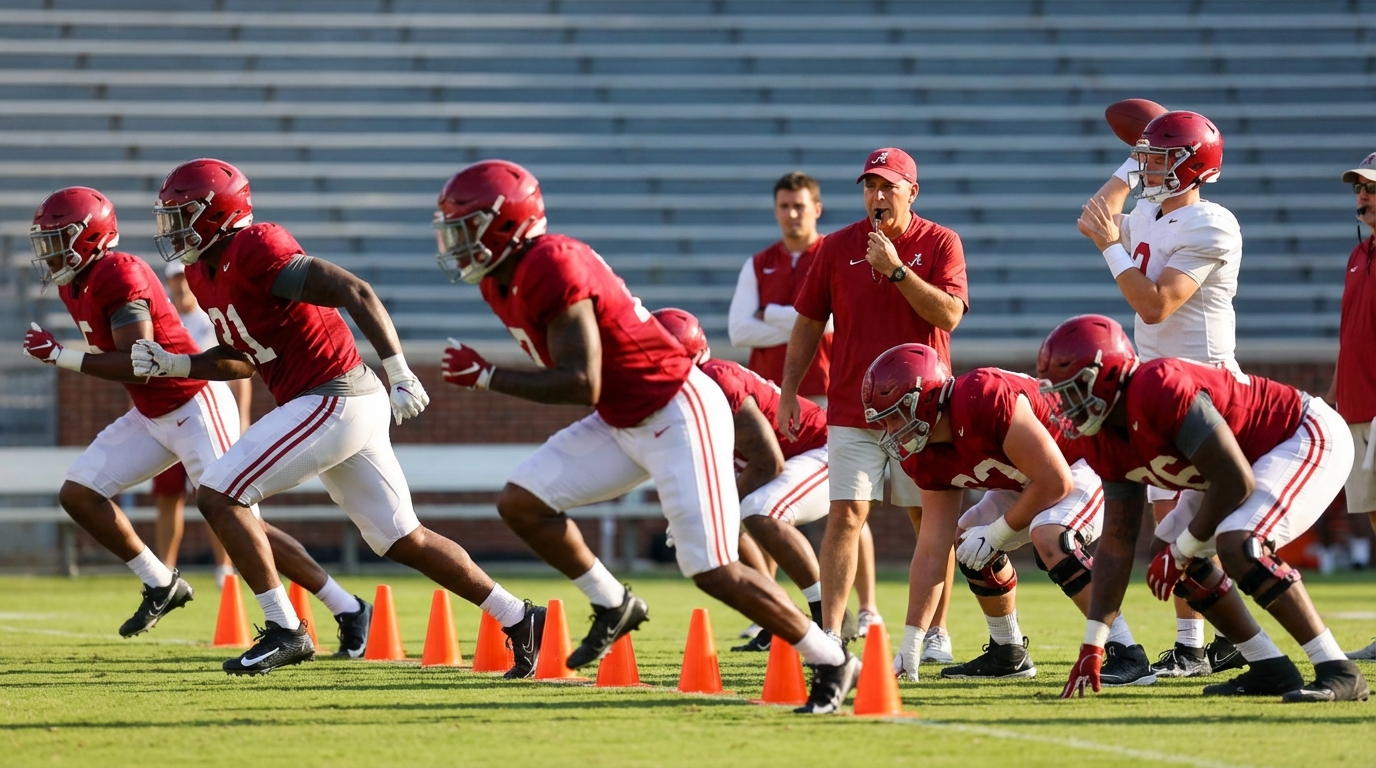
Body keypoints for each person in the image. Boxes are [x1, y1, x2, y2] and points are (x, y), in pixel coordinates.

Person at [432, 159, 854, 715]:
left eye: (466, 226)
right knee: (522, 502)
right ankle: (614, 603)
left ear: (504, 221)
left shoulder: (550, 264)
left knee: (713, 569)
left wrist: (488, 376)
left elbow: (584, 381)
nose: (457, 241)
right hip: (624, 417)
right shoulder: (500, 278)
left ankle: (829, 655)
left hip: (676, 409)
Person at [132, 158, 541, 678]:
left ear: (217, 212)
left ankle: (285, 628)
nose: (173, 228)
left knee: (218, 493)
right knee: (400, 538)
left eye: (182, 214)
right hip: (332, 403)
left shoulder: (256, 246)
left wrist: (400, 372)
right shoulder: (201, 270)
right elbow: (243, 353)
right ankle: (520, 617)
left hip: (333, 395)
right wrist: (179, 363)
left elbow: (356, 291)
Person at [21, 187, 368, 657]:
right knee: (79, 493)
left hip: (195, 405)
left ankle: (342, 606)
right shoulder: (73, 282)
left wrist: (62, 357)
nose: (51, 253)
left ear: (89, 237)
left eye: (59, 240)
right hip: (151, 412)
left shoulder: (118, 274)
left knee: (240, 520)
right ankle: (160, 582)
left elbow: (138, 360)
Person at [1040, 315, 1368, 702]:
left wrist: (1183, 550)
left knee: (1240, 543)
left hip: (1302, 434)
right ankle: (1268, 667)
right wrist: (1094, 643)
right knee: (1166, 552)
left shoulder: (1158, 387)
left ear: (1107, 374)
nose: (1066, 405)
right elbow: (1117, 538)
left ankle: (1338, 669)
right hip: (1234, 466)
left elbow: (1235, 480)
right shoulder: (1101, 438)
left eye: (1074, 390)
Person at [780, 147, 969, 689]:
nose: (878, 196)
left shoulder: (940, 243)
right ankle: (832, 636)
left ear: (912, 191)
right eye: (870, 186)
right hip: (851, 407)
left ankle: (935, 632)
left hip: (922, 411)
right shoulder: (837, 246)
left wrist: (898, 270)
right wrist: (791, 391)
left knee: (927, 523)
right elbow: (809, 322)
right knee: (845, 515)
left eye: (889, 186)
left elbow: (950, 315)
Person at [861, 344, 1155, 686]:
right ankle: (1008, 651)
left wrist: (999, 532)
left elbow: (1055, 481)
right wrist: (911, 640)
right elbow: (931, 549)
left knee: (1050, 535)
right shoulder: (921, 454)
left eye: (896, 413)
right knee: (968, 537)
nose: (891, 427)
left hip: (1085, 460)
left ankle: (1127, 651)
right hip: (1031, 478)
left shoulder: (982, 398)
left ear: (924, 399)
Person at [1078, 110, 1245, 678]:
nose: (1146, 168)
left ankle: (1214, 643)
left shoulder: (1212, 223)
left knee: (1197, 524)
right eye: (1143, 159)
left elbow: (1154, 304)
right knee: (1164, 513)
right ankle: (1192, 646)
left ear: (1191, 169)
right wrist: (1136, 157)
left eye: (1157, 160)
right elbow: (1094, 216)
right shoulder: (1148, 210)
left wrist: (1109, 247)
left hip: (1205, 382)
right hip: (1156, 382)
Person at [727, 172, 882, 637]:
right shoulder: (759, 263)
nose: (791, 213)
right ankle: (770, 610)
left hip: (827, 395)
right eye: (784, 206)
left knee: (849, 505)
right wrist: (803, 320)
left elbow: (835, 323)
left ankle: (868, 607)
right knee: (768, 502)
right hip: (769, 399)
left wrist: (773, 315)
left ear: (816, 208)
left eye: (800, 205)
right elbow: (739, 331)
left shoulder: (835, 253)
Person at [653, 308, 860, 653]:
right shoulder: (685, 392)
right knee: (718, 527)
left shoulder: (716, 382)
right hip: (782, 458)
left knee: (758, 511)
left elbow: (767, 461)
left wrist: (719, 509)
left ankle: (829, 612)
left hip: (822, 449)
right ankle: (778, 615)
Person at [154, 259, 243, 588]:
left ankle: (224, 568)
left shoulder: (209, 321)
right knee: (168, 497)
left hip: (209, 417)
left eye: (184, 278)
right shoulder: (163, 321)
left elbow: (237, 369)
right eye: (175, 279)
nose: (181, 285)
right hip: (170, 415)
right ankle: (164, 572)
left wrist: (242, 419)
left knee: (215, 495)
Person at [1333, 152, 1376, 660]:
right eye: (1358, 188)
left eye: (1372, 188)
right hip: (1358, 408)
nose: (1362, 197)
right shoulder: (1358, 255)